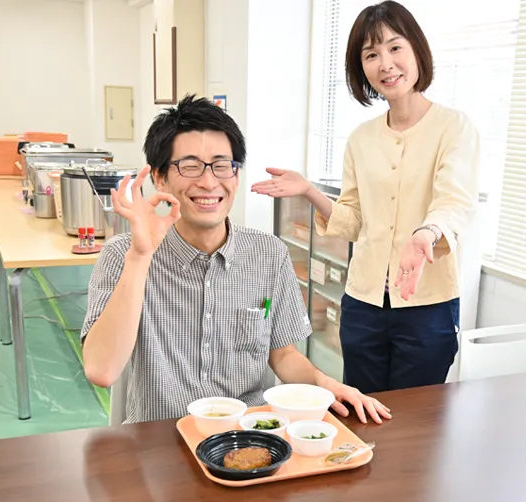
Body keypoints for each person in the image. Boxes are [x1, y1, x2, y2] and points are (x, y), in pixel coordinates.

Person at [81, 94, 391, 424]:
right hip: (161, 446)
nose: (209, 181)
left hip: (249, 439)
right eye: (189, 166)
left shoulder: (269, 255)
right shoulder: (123, 255)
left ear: (236, 174)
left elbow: (283, 354)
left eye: (221, 165)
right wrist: (141, 257)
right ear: (159, 177)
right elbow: (102, 370)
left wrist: (325, 385)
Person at [251, 1, 480, 394]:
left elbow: (454, 201)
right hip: (363, 303)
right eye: (371, 55)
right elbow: (353, 220)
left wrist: (425, 234)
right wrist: (309, 190)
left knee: (414, 422)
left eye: (395, 47)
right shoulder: (361, 138)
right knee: (362, 411)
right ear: (362, 69)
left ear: (416, 50)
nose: (385, 64)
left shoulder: (453, 127)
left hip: (427, 305)